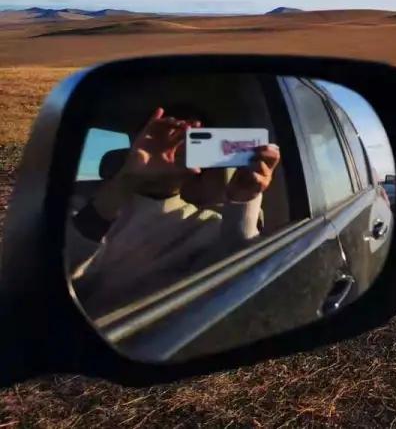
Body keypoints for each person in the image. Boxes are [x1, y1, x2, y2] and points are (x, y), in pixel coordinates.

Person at [69, 107, 280, 319]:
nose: (175, 147)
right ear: (136, 144)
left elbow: (241, 274)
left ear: (208, 156)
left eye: (193, 140)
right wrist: (126, 179)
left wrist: (243, 198)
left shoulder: (207, 226)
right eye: (162, 137)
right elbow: (53, 272)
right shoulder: (80, 204)